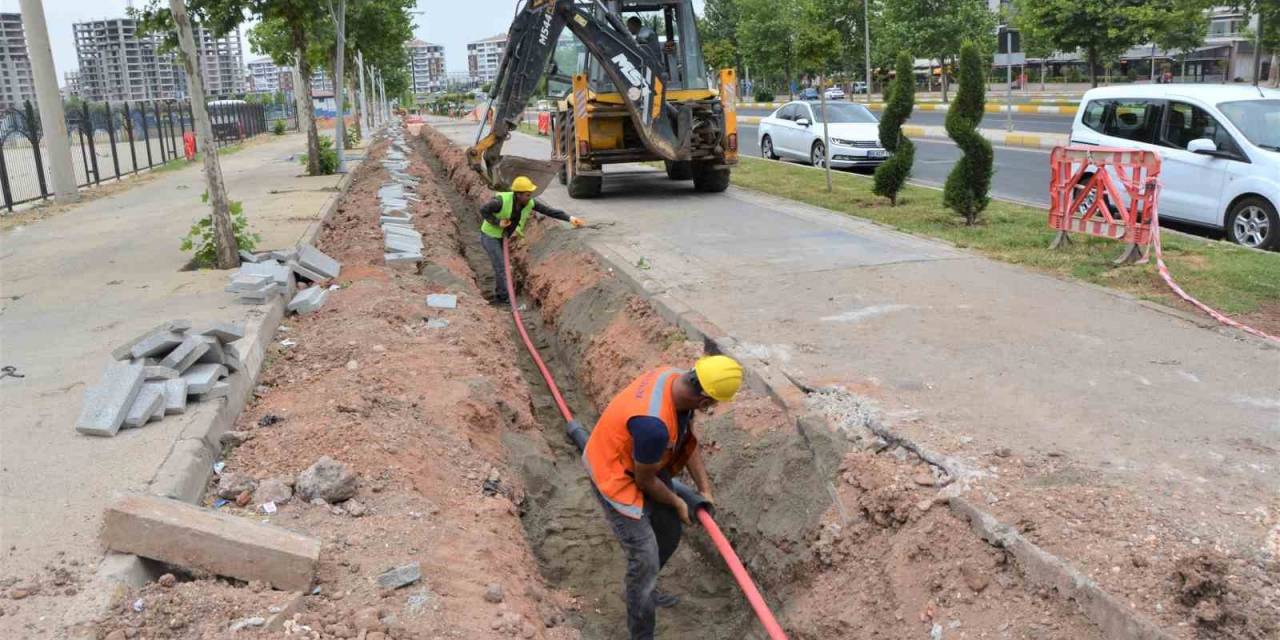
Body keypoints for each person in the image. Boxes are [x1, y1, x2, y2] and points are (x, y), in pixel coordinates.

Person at [583, 355, 743, 640]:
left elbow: (686, 441)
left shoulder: (675, 379)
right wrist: (679, 501)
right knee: (644, 557)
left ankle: (647, 587)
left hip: (643, 462)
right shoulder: (653, 425)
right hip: (614, 472)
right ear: (704, 400)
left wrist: (704, 490)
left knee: (669, 530)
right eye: (713, 405)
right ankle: (642, 630)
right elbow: (645, 481)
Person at [478, 176, 584, 305]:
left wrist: (570, 218)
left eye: (530, 194)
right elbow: (483, 210)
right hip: (490, 236)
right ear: (518, 194)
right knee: (501, 267)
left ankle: (504, 293)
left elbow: (549, 211)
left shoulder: (529, 203)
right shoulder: (500, 201)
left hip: (502, 237)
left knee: (503, 266)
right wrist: (497, 222)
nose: (530, 197)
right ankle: (503, 298)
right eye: (527, 195)